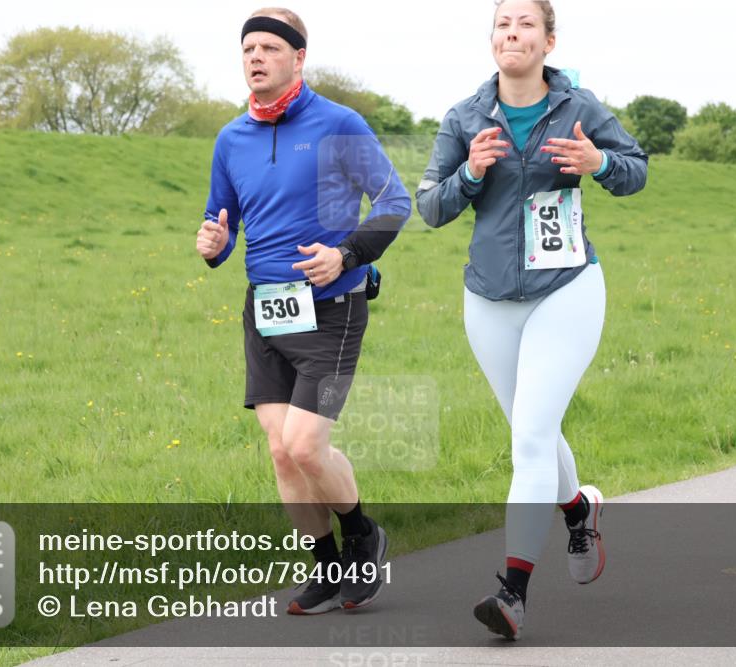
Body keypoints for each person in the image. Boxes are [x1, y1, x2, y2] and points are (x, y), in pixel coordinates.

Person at [415, 0, 648, 641]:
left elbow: (637, 172)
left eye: (524, 24)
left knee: (530, 437)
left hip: (566, 289)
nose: (510, 32)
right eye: (501, 24)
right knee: (531, 430)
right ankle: (578, 509)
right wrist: (471, 171)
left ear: (548, 41)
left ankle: (512, 592)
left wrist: (599, 165)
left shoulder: (580, 108)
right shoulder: (465, 117)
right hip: (488, 298)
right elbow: (429, 207)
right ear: (491, 40)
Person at [196, 7, 411, 615]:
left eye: (269, 47)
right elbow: (223, 221)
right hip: (266, 311)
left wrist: (346, 255)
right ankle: (327, 565)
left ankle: (364, 533)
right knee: (279, 448)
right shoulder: (230, 137)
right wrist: (214, 245)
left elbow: (395, 202)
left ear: (298, 57)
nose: (256, 57)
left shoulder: (339, 124)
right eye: (248, 49)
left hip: (332, 309)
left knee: (306, 445)